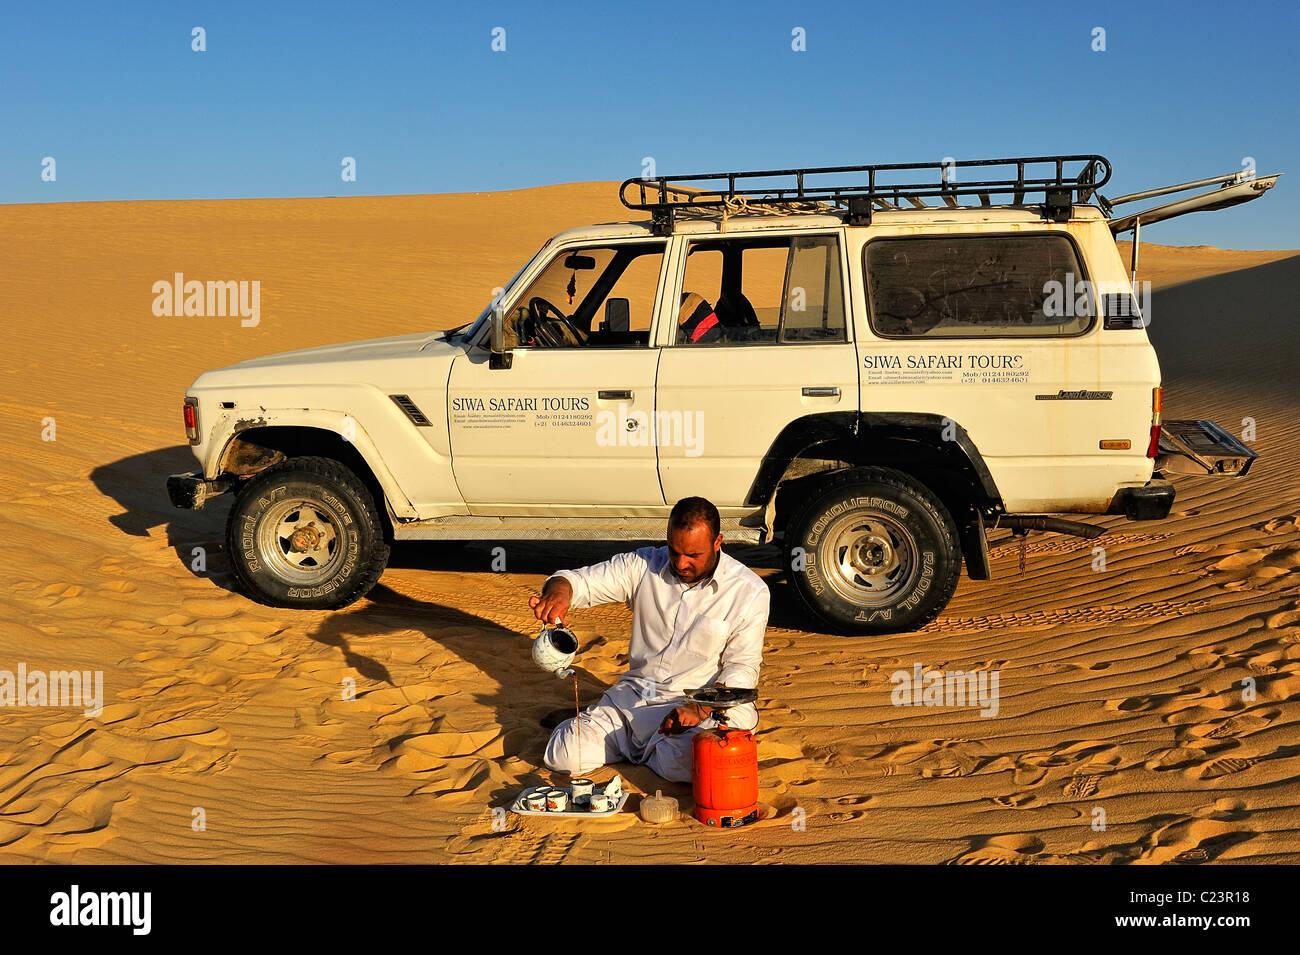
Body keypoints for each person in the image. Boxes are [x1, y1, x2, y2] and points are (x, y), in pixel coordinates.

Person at [529, 497, 769, 783]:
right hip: (637, 696)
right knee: (563, 754)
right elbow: (576, 581)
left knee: (691, 762)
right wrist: (559, 593)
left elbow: (742, 669)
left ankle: (640, 746)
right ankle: (616, 731)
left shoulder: (750, 592)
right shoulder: (643, 564)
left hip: (702, 705)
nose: (680, 563)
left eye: (693, 555)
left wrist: (700, 708)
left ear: (718, 542)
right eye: (674, 550)